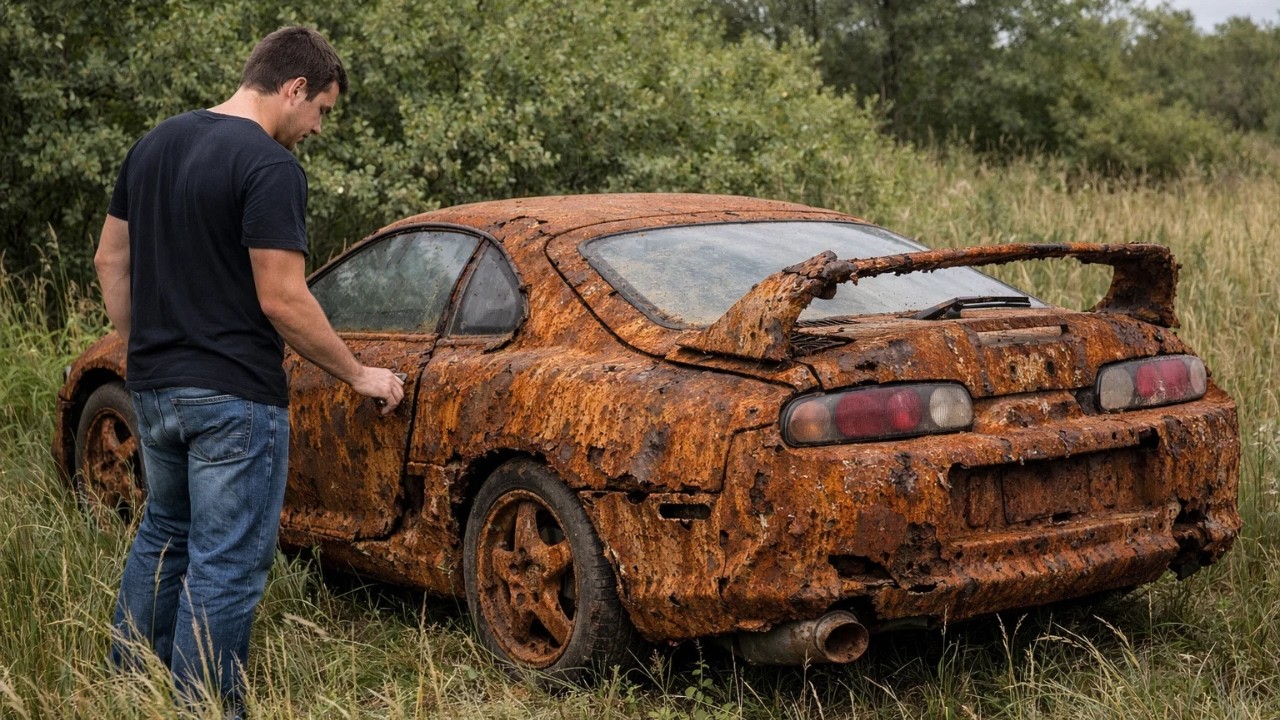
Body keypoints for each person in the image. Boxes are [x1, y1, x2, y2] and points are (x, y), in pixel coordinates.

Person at [93, 25, 404, 713]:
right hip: (233, 398)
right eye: (322, 109)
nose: (319, 128)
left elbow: (109, 261)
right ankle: (204, 707)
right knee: (226, 565)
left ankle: (124, 688)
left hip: (155, 387)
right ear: (294, 87)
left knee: (163, 533)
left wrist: (144, 347)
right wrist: (357, 374)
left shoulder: (153, 145)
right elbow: (282, 298)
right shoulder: (269, 167)